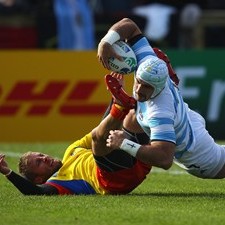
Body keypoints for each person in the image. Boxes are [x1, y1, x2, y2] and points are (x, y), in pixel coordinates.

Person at [97, 17, 225, 179]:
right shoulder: (146, 62)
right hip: (188, 122)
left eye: (147, 87)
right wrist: (106, 42)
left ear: (159, 86)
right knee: (132, 116)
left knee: (135, 117)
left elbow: (164, 159)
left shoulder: (159, 111)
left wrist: (124, 143)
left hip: (205, 160)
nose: (139, 90)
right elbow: (129, 25)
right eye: (139, 82)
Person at [0, 73, 151, 195]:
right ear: (39, 179)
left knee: (134, 115)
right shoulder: (56, 183)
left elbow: (99, 129)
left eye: (40, 155)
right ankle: (120, 105)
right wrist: (7, 172)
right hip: (115, 179)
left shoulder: (71, 150)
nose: (44, 158)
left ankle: (163, 87)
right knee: (98, 139)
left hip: (141, 161)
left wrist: (113, 99)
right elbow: (34, 192)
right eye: (38, 162)